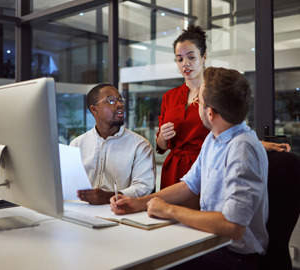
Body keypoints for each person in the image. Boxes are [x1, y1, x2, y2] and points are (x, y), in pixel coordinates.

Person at [111, 67, 269, 270]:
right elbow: (190, 184)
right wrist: (140, 202)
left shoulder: (242, 149)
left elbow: (233, 226)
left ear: (210, 113)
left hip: (235, 257)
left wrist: (169, 210)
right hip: (212, 244)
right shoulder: (214, 139)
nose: (195, 104)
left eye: (199, 102)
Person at [156, 24, 290, 190]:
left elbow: (233, 132)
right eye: (180, 59)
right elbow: (161, 146)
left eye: (191, 57)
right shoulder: (169, 97)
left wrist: (260, 144)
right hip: (173, 170)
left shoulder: (215, 92)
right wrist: (162, 138)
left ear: (204, 56)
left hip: (207, 165)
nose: (185, 64)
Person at [70, 83, 156, 205]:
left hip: (121, 212)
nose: (119, 104)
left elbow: (144, 187)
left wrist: (108, 197)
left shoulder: (140, 145)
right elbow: (69, 183)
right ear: (94, 110)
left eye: (120, 100)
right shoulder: (77, 144)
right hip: (81, 209)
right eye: (111, 100)